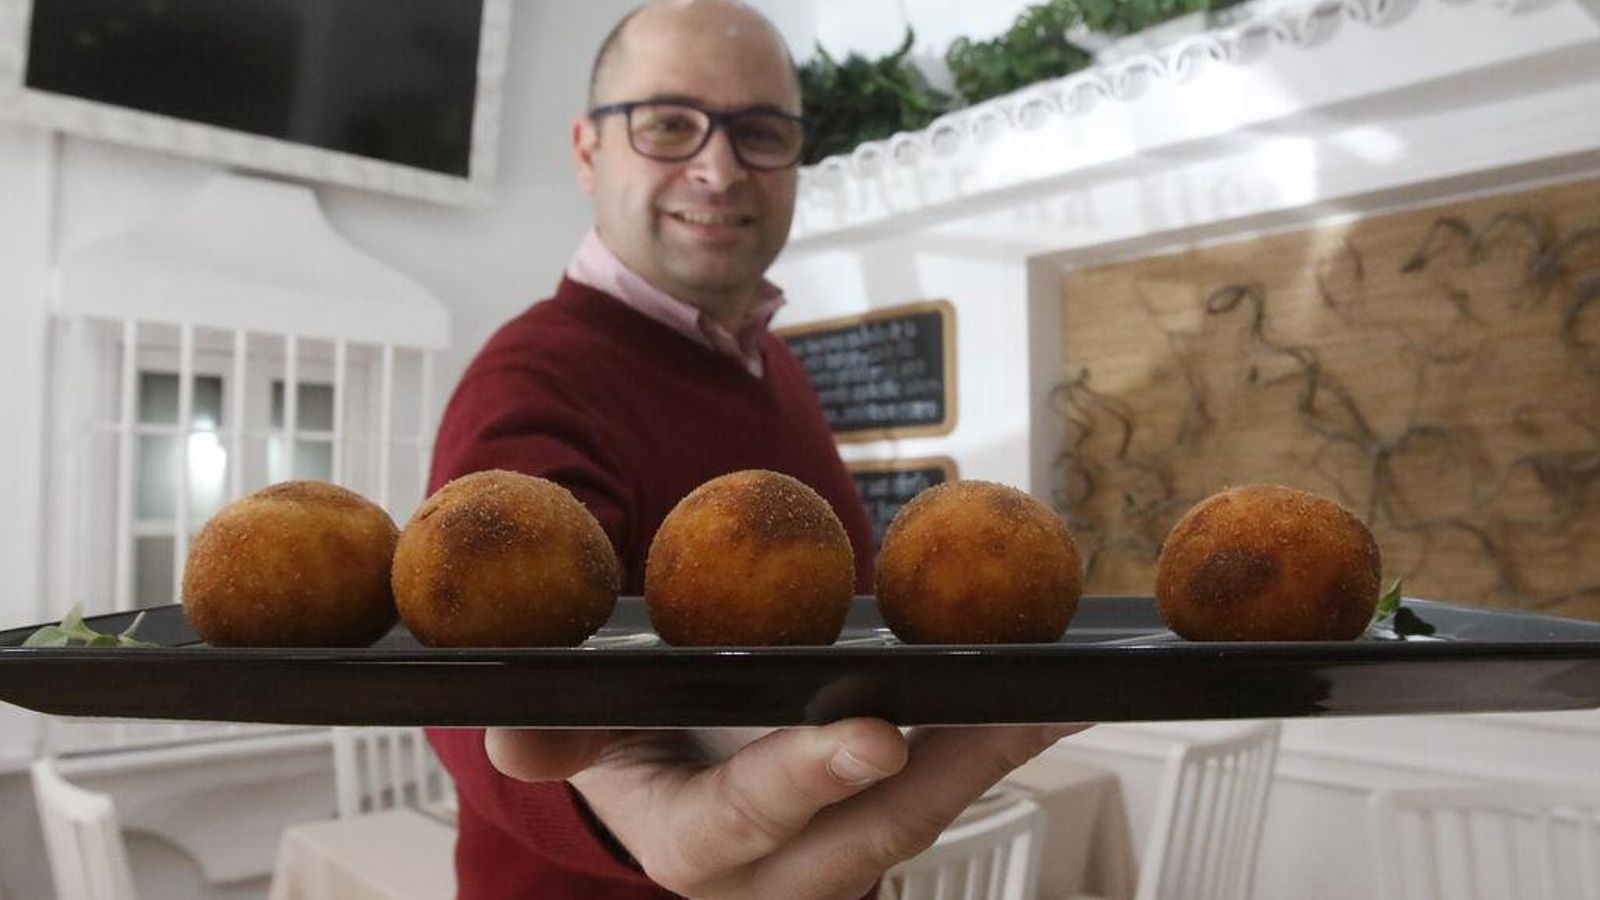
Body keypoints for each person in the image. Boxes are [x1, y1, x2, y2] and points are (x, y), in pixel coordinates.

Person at [425, 2, 1089, 897]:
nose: (719, 168)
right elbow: (467, 646)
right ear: (588, 150)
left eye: (762, 132)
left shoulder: (772, 366)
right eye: (668, 124)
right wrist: (621, 795)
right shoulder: (532, 376)